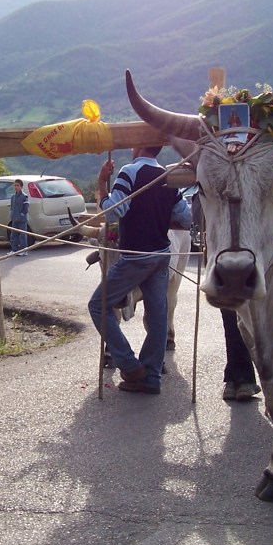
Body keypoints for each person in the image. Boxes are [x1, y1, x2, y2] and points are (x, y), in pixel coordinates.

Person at [87, 146, 192, 395]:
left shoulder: (129, 172)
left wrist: (102, 183)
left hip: (136, 256)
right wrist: (157, 215)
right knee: (158, 317)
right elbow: (186, 219)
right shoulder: (168, 177)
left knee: (98, 305)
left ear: (139, 147)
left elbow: (114, 211)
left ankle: (130, 365)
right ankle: (151, 378)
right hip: (162, 255)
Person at [8, 178, 30, 255]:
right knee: (13, 235)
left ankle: (24, 251)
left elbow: (26, 208)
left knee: (22, 236)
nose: (16, 187)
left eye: (17, 185)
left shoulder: (24, 196)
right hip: (14, 219)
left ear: (21, 186)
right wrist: (11, 215)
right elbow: (12, 207)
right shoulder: (13, 196)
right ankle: (14, 250)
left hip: (21, 219)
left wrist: (22, 215)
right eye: (15, 185)